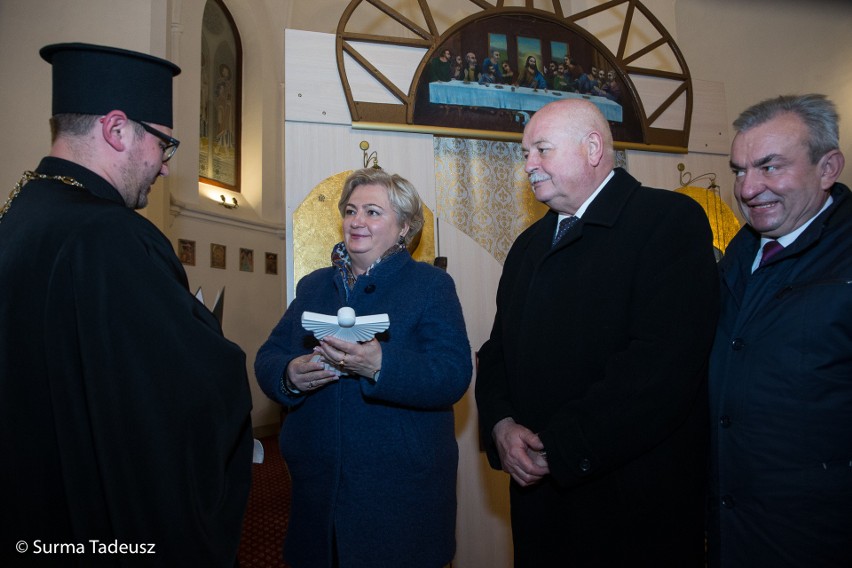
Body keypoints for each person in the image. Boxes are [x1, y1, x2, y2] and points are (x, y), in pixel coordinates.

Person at [0, 43, 253, 565]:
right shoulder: (113, 235)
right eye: (165, 145)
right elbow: (182, 394)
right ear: (117, 130)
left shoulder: (19, 213)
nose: (164, 168)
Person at [475, 99, 719, 567]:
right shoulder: (528, 244)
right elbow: (499, 350)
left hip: (631, 503)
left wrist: (560, 448)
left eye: (541, 150)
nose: (528, 165)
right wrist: (502, 426)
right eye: (526, 153)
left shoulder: (667, 220)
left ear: (592, 148)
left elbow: (661, 366)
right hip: (539, 501)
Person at [255, 168, 472, 568]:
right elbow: (269, 355)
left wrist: (380, 366)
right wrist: (290, 375)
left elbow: (452, 374)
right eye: (351, 210)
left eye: (373, 212)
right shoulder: (314, 285)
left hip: (399, 493)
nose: (357, 221)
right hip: (317, 491)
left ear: (405, 226)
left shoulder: (431, 286)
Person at [709, 94, 852, 567]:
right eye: (739, 170)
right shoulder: (740, 251)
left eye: (770, 168)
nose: (748, 189)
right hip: (737, 527)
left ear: (828, 167)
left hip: (819, 535)